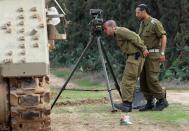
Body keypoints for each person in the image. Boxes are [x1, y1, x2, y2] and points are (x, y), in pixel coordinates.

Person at [103, 20, 149, 112]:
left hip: (134, 57)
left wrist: (143, 48)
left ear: (112, 27)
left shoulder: (119, 31)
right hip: (134, 57)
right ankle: (128, 103)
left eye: (105, 28)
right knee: (130, 81)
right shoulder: (117, 33)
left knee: (127, 80)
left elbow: (134, 36)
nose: (104, 31)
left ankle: (127, 104)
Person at [135, 4, 168, 111]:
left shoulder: (155, 23)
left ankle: (162, 100)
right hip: (144, 55)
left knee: (152, 79)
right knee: (143, 80)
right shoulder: (142, 24)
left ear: (144, 11)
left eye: (138, 12)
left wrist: (162, 53)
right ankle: (149, 102)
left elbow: (163, 37)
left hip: (153, 55)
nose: (136, 15)